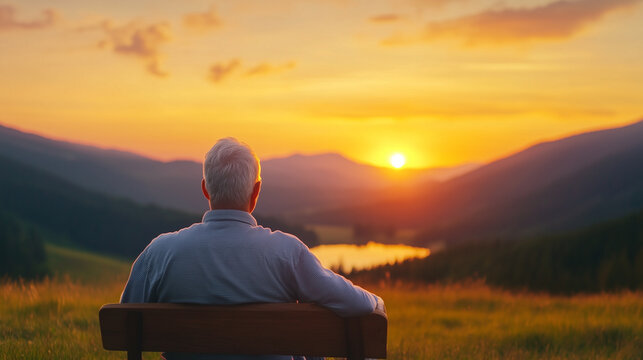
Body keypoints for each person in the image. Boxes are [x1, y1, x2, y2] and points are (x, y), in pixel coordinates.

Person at [121, 137, 384, 360]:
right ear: (256, 192)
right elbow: (356, 304)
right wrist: (376, 300)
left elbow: (124, 321)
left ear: (205, 190)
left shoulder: (160, 253)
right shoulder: (286, 252)